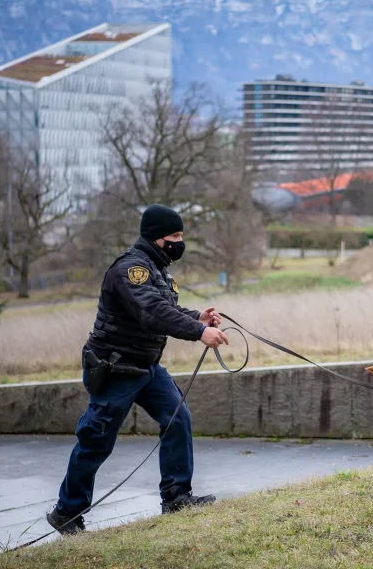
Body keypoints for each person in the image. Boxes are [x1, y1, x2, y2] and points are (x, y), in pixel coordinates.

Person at [46, 204, 230, 535]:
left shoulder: (157, 269)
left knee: (177, 417)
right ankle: (67, 512)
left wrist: (198, 318)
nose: (179, 243)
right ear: (157, 236)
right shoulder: (131, 269)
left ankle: (176, 496)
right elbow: (153, 313)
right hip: (115, 369)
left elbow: (168, 309)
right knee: (96, 441)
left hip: (146, 367)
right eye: (175, 236)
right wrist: (199, 332)